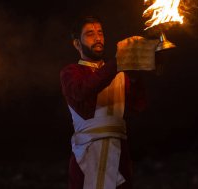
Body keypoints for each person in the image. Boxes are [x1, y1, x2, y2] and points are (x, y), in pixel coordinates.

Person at [60, 16, 158, 189]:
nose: (98, 38)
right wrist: (118, 62)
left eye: (100, 33)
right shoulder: (71, 72)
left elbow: (137, 107)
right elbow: (82, 91)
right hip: (88, 154)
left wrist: (135, 75)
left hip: (119, 154)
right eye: (90, 34)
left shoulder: (119, 73)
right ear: (77, 44)